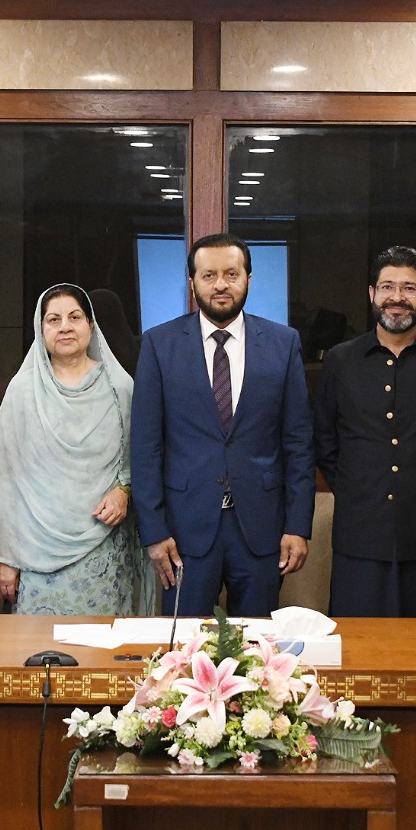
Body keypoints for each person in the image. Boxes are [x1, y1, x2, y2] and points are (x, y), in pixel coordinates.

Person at [130, 233, 316, 616]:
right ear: (192, 283)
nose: (220, 285)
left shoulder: (283, 344)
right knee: (185, 644)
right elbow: (146, 447)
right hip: (184, 531)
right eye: (208, 275)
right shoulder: (159, 345)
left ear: (248, 278)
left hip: (261, 528)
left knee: (258, 643)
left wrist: (298, 526)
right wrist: (154, 531)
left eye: (231, 274)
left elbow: (298, 443)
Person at [314, 246, 416, 617]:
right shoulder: (341, 360)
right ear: (372, 293)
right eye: (387, 287)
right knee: (360, 644)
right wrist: (360, 487)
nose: (397, 297)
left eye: (409, 288)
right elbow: (325, 440)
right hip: (360, 535)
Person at [0, 285, 159, 615]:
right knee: (38, 645)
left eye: (75, 317)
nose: (65, 327)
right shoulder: (22, 392)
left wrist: (123, 492)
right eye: (53, 319)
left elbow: (140, 458)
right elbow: (6, 480)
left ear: (91, 325)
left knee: (103, 644)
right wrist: (6, 557)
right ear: (41, 329)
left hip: (105, 546)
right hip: (35, 550)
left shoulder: (119, 388)